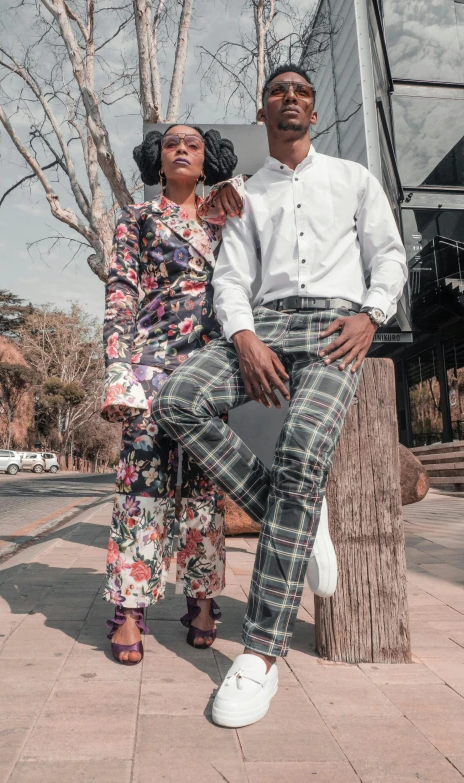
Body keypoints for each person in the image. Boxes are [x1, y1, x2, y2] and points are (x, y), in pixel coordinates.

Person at [154, 64, 407, 724]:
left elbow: (391, 257)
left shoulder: (354, 179)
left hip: (336, 325)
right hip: (262, 326)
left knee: (299, 452)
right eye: (278, 93)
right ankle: (297, 515)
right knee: (178, 399)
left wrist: (371, 314)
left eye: (302, 93)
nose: (291, 99)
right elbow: (229, 281)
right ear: (263, 111)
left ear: (313, 114)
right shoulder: (240, 192)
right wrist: (243, 338)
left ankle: (261, 653)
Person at [101, 124, 244, 665]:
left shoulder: (228, 218)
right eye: (170, 144)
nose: (181, 148)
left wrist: (237, 185)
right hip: (149, 364)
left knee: (205, 491)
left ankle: (203, 601)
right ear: (157, 160)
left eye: (193, 143)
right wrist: (119, 365)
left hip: (209, 370)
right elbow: (122, 290)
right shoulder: (135, 219)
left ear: (207, 159)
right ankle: (130, 611)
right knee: (143, 489)